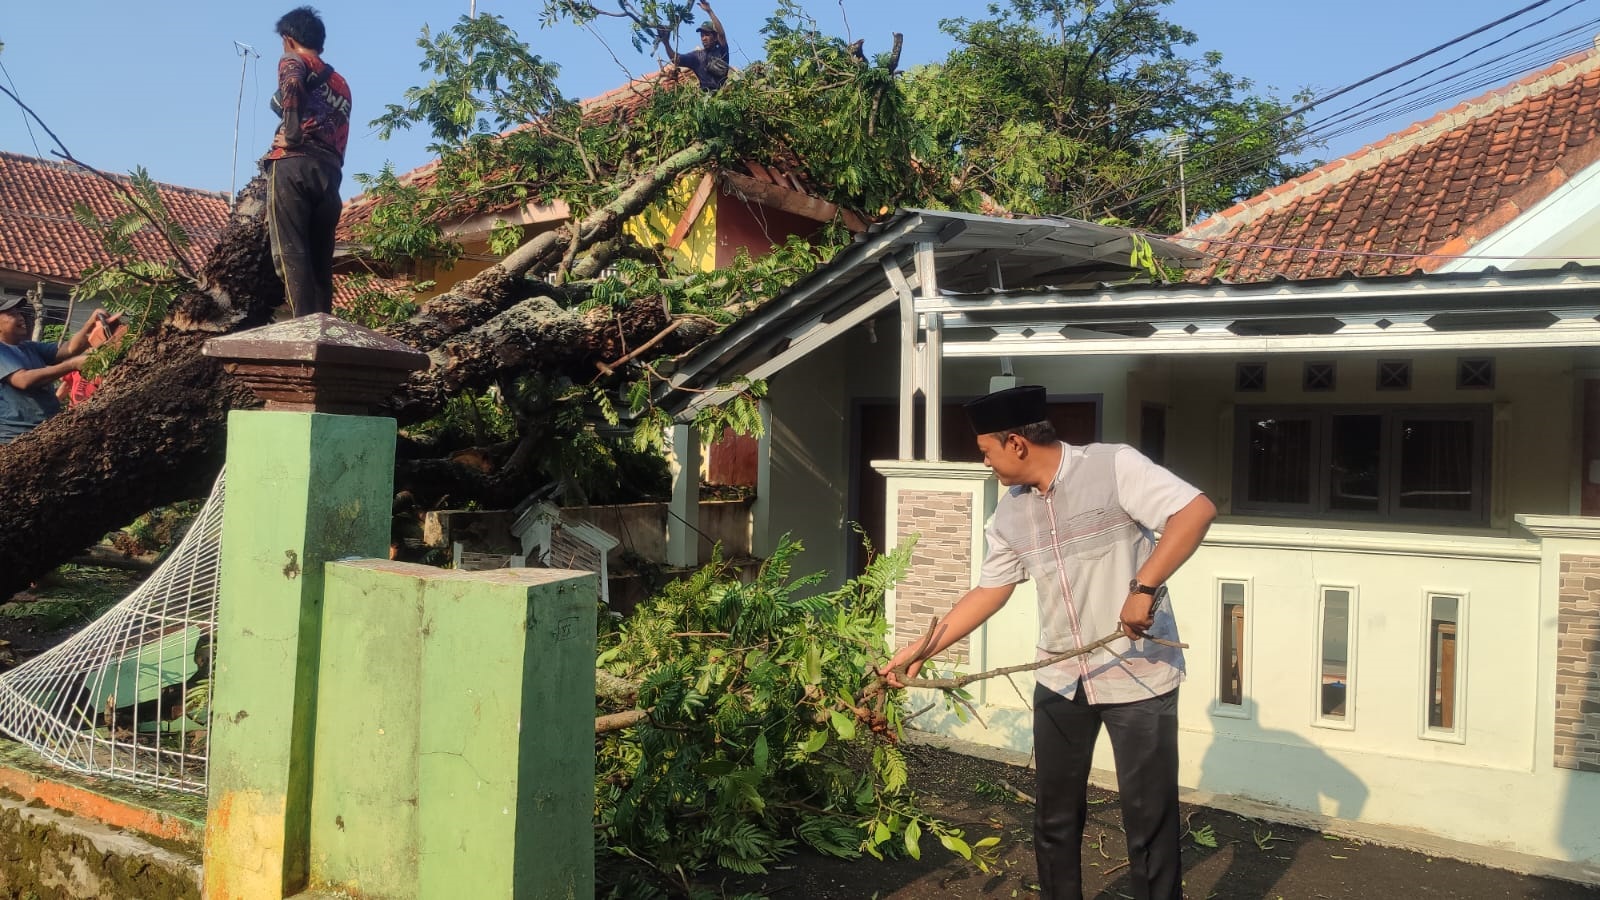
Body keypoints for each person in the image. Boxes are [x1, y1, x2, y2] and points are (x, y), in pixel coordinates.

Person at [882, 385, 1216, 900]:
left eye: (987, 451)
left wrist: (1143, 587)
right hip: (1062, 680)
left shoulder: (1113, 466)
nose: (986, 463)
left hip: (1139, 675)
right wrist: (920, 650)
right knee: (1054, 819)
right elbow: (989, 590)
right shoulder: (1011, 512)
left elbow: (1195, 510)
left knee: (1148, 823)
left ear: (1016, 443)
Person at [262, 6, 351, 318]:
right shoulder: (341, 83)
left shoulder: (292, 59)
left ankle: (301, 327)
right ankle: (322, 326)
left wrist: (292, 133)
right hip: (330, 176)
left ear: (288, 39)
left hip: (294, 167)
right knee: (319, 263)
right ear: (320, 44)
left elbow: (292, 81)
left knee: (291, 255)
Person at [0, 297, 123, 444]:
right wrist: (71, 365)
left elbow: (68, 349)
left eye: (19, 313)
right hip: (16, 437)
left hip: (46, 429)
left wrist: (90, 324)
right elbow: (23, 380)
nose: (21, 317)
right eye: (12, 314)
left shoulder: (29, 347)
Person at [55, 315, 128, 407]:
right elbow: (66, 385)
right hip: (73, 414)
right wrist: (53, 404)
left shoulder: (116, 366)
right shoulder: (79, 361)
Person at [660, 0, 730, 92]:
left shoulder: (721, 50)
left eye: (707, 34)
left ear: (715, 37)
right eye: (702, 35)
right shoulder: (697, 57)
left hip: (723, 94)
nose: (703, 38)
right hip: (706, 98)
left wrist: (709, 11)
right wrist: (666, 43)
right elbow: (675, 59)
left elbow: (721, 33)